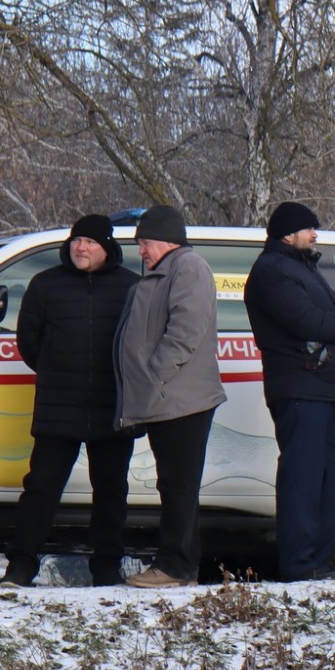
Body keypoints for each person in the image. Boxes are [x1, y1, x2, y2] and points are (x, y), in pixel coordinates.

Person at [0, 215, 141, 588]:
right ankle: (20, 566)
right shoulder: (45, 285)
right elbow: (29, 343)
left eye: (90, 242)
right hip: (58, 404)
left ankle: (107, 568)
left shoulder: (132, 287)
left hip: (113, 407)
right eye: (77, 240)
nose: (81, 247)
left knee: (111, 492)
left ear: (107, 248)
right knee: (41, 488)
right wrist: (54, 368)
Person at [245, 202, 335, 582]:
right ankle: (298, 564)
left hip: (324, 392)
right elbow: (308, 321)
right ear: (288, 233)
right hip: (299, 389)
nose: (316, 234)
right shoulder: (271, 271)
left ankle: (317, 560)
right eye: (310, 228)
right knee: (303, 479)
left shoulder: (304, 268)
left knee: (334, 478)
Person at [114, 206, 226, 588]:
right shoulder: (163, 272)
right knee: (174, 483)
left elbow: (185, 330)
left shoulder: (187, 268)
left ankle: (174, 566)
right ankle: (181, 565)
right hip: (168, 398)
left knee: (178, 484)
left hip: (181, 399)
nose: (141, 251)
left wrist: (155, 375)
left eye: (144, 242)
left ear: (164, 239)